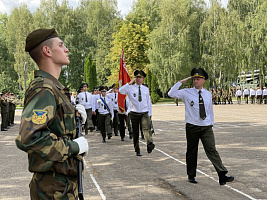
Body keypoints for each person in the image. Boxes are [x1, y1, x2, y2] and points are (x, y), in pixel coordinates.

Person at [15, 28, 88, 199]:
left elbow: (55, 127)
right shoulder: (43, 88)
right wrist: (74, 147)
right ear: (47, 51)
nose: (66, 49)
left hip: (62, 185)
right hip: (53, 189)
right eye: (61, 45)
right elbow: (31, 138)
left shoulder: (53, 88)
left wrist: (73, 117)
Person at [168, 66, 234, 185]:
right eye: (194, 79)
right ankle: (191, 175)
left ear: (203, 80)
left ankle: (222, 174)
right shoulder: (186, 92)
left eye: (198, 79)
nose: (195, 81)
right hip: (192, 127)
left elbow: (209, 111)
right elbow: (170, 93)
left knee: (212, 150)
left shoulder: (207, 94)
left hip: (206, 127)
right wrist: (181, 82)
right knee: (192, 152)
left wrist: (211, 124)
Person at [119, 69, 155, 156]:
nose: (139, 79)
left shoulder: (145, 89)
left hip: (144, 112)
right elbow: (120, 91)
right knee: (135, 132)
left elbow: (148, 102)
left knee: (146, 129)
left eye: (140, 77)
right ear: (135, 78)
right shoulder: (130, 88)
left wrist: (150, 114)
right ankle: (137, 149)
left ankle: (149, 144)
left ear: (143, 79)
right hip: (134, 113)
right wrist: (129, 83)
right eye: (137, 77)